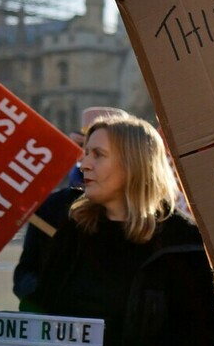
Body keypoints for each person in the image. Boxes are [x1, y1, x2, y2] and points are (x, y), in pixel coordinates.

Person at [6, 113, 214, 346]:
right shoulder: (69, 228)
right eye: (85, 153)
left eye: (98, 155)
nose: (83, 164)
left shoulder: (182, 240)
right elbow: (40, 304)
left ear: (134, 164)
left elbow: (202, 333)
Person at [12, 107, 128, 310]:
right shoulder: (52, 209)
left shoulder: (154, 218)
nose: (84, 162)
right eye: (82, 150)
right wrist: (45, 292)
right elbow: (24, 274)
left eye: (99, 153)